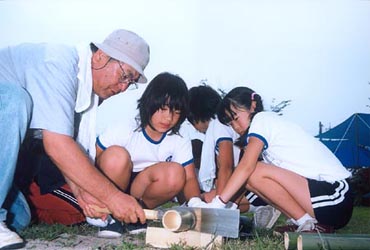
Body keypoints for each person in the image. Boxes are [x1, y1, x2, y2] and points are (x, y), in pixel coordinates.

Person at [0, 29, 150, 248]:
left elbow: (68, 149)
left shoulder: (85, 94)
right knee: (15, 99)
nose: (123, 87)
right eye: (125, 75)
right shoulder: (58, 64)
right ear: (100, 56)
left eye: (131, 82)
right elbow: (57, 145)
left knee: (19, 217)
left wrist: (82, 194)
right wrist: (114, 198)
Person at [205, 86, 354, 233]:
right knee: (251, 177)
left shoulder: (262, 119)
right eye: (231, 123)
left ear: (253, 105)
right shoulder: (269, 149)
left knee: (253, 170)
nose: (235, 127)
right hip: (323, 203)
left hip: (336, 196)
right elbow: (251, 184)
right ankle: (306, 222)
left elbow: (246, 167)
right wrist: (228, 209)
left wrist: (218, 204)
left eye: (236, 118)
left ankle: (307, 221)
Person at [93, 72, 205, 237]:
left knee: (176, 172)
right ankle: (111, 216)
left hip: (142, 188)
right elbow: (93, 159)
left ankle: (136, 215)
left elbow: (189, 178)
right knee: (116, 155)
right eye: (163, 109)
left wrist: (197, 205)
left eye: (176, 112)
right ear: (150, 104)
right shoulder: (125, 127)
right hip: (114, 182)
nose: (168, 117)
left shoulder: (179, 138)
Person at [187, 85, 280, 229]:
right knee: (207, 198)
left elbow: (226, 166)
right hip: (253, 186)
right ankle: (260, 208)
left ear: (196, 116)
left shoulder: (218, 125)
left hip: (251, 186)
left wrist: (219, 204)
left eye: (192, 122)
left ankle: (260, 207)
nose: (194, 128)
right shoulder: (228, 124)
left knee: (203, 200)